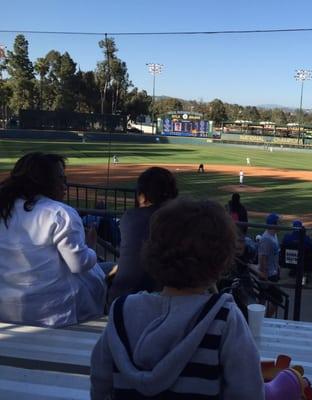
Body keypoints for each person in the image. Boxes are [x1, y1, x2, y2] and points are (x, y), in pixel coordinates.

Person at [90, 198, 265, 399]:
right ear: (221, 260)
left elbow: (100, 382)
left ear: (153, 252)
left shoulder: (121, 310)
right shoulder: (225, 318)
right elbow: (249, 392)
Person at [0, 152, 106, 327]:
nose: (64, 185)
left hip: (7, 308)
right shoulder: (60, 213)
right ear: (44, 181)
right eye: (60, 178)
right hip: (55, 312)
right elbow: (78, 264)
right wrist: (90, 247)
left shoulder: (5, 209)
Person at [107, 167, 178, 306]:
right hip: (160, 302)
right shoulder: (180, 218)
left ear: (142, 196)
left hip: (119, 300)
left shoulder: (129, 217)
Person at [259, 213, 281, 282]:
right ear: (273, 225)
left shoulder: (274, 235)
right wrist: (265, 277)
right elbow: (263, 258)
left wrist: (277, 266)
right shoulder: (266, 239)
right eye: (278, 223)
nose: (280, 225)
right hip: (269, 275)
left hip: (274, 271)